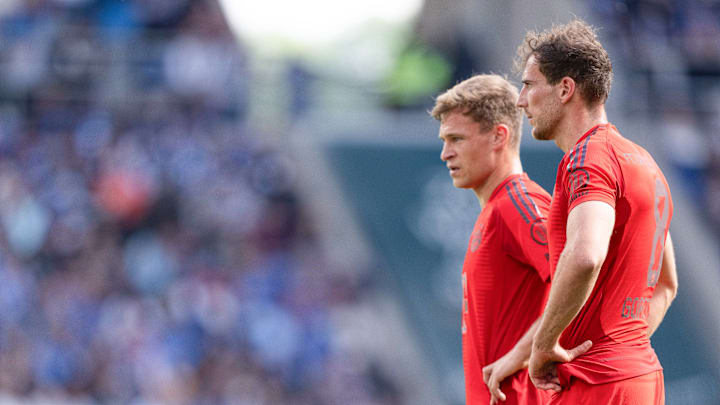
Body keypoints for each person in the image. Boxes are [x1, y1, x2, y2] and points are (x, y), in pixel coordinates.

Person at [515, 19, 678, 404]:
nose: (521, 100)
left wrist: (544, 344)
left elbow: (586, 254)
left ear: (565, 89)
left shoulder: (587, 159)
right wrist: (619, 351)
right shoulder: (643, 162)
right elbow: (667, 284)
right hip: (641, 377)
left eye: (528, 84)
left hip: (596, 385)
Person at [431, 74, 573, 405]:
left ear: (499, 136)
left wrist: (522, 354)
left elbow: (582, 284)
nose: (445, 153)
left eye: (456, 139)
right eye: (444, 140)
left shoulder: (519, 204)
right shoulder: (496, 210)